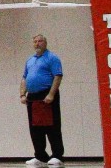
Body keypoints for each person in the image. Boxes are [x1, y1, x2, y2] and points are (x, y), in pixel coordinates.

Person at [21, 34, 64, 167]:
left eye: (40, 41)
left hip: (47, 95)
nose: (37, 44)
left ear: (45, 43)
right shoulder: (30, 60)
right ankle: (40, 155)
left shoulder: (52, 58)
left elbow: (57, 76)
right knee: (35, 127)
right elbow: (24, 78)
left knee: (52, 126)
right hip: (32, 97)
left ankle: (57, 155)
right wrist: (22, 94)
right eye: (35, 41)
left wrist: (51, 94)